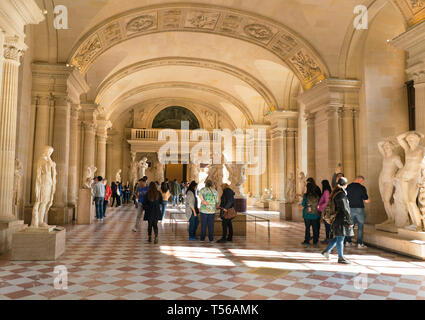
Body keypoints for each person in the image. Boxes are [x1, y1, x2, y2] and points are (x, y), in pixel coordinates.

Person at [321, 177, 354, 264]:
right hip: (341, 219)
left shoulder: (336, 192)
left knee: (338, 237)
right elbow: (345, 209)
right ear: (345, 184)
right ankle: (340, 257)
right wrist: (350, 221)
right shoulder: (341, 194)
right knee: (340, 239)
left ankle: (326, 251)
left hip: (337, 218)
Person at [345, 176, 370, 248]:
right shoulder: (362, 188)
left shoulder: (348, 187)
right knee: (360, 226)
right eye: (362, 181)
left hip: (349, 208)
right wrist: (369, 200)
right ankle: (359, 243)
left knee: (350, 226)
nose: (362, 182)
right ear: (360, 180)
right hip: (359, 209)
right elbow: (366, 200)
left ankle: (348, 241)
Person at [301, 182, 321, 246]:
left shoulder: (305, 195)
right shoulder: (316, 196)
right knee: (315, 228)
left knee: (307, 228)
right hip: (315, 214)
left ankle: (307, 240)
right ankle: (315, 241)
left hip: (307, 214)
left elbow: (303, 204)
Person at [318, 180, 332, 244]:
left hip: (326, 211)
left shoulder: (326, 192)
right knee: (328, 225)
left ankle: (328, 239)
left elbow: (326, 202)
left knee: (327, 226)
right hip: (327, 210)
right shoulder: (328, 191)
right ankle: (329, 238)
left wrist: (320, 206)